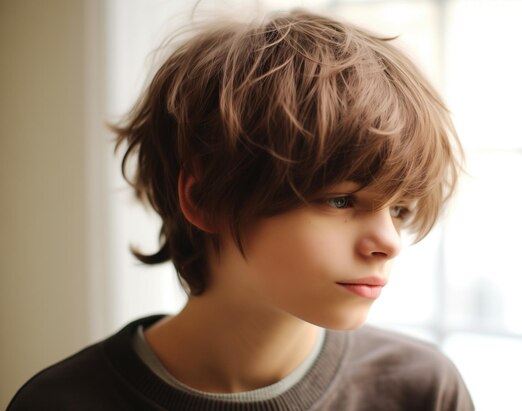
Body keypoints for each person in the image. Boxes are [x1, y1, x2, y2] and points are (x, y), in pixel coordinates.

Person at [9, 9, 473, 410]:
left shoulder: (422, 391)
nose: (389, 243)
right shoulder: (62, 403)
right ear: (204, 197)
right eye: (340, 199)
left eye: (401, 210)